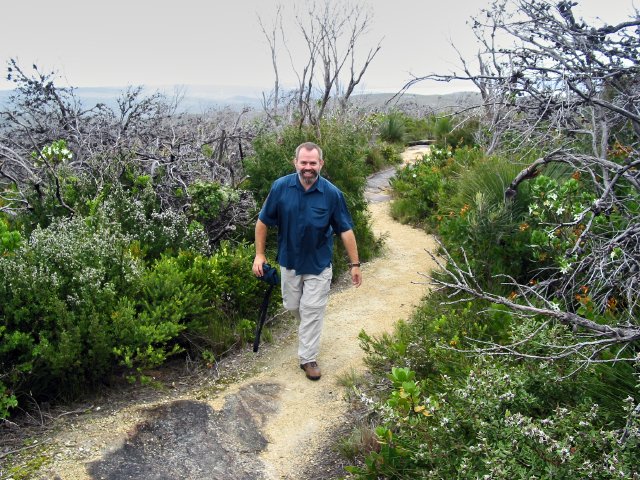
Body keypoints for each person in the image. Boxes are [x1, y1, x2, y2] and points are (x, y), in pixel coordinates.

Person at [252, 141, 362, 380]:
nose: (308, 167)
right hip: (289, 262)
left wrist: (355, 265)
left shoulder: (332, 194)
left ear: (321, 164)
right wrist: (260, 255)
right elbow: (262, 222)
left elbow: (345, 230)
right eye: (304, 162)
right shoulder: (280, 188)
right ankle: (310, 328)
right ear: (296, 163)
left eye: (313, 163)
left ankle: (308, 358)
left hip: (319, 265)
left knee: (311, 310)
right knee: (293, 307)